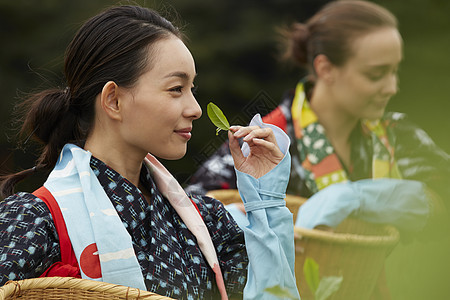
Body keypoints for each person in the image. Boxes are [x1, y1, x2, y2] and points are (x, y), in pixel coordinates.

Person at [0, 5, 300, 300]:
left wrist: (266, 203)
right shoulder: (36, 221)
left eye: (192, 88)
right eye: (175, 89)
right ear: (113, 100)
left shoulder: (208, 222)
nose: (195, 109)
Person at [186, 0, 450, 298]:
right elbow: (193, 212)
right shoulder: (270, 141)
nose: (392, 87)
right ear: (326, 68)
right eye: (377, 74)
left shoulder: (397, 136)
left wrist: (369, 199)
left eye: (394, 71)